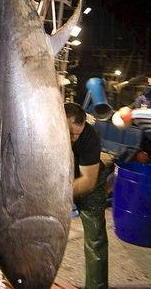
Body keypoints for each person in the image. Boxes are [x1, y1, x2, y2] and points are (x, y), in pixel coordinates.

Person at [64, 102, 108, 289]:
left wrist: (56, 198)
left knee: (95, 239)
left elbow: (88, 181)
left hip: (89, 182)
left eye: (77, 133)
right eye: (70, 132)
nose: (74, 138)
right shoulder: (44, 129)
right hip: (61, 178)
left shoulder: (89, 137)